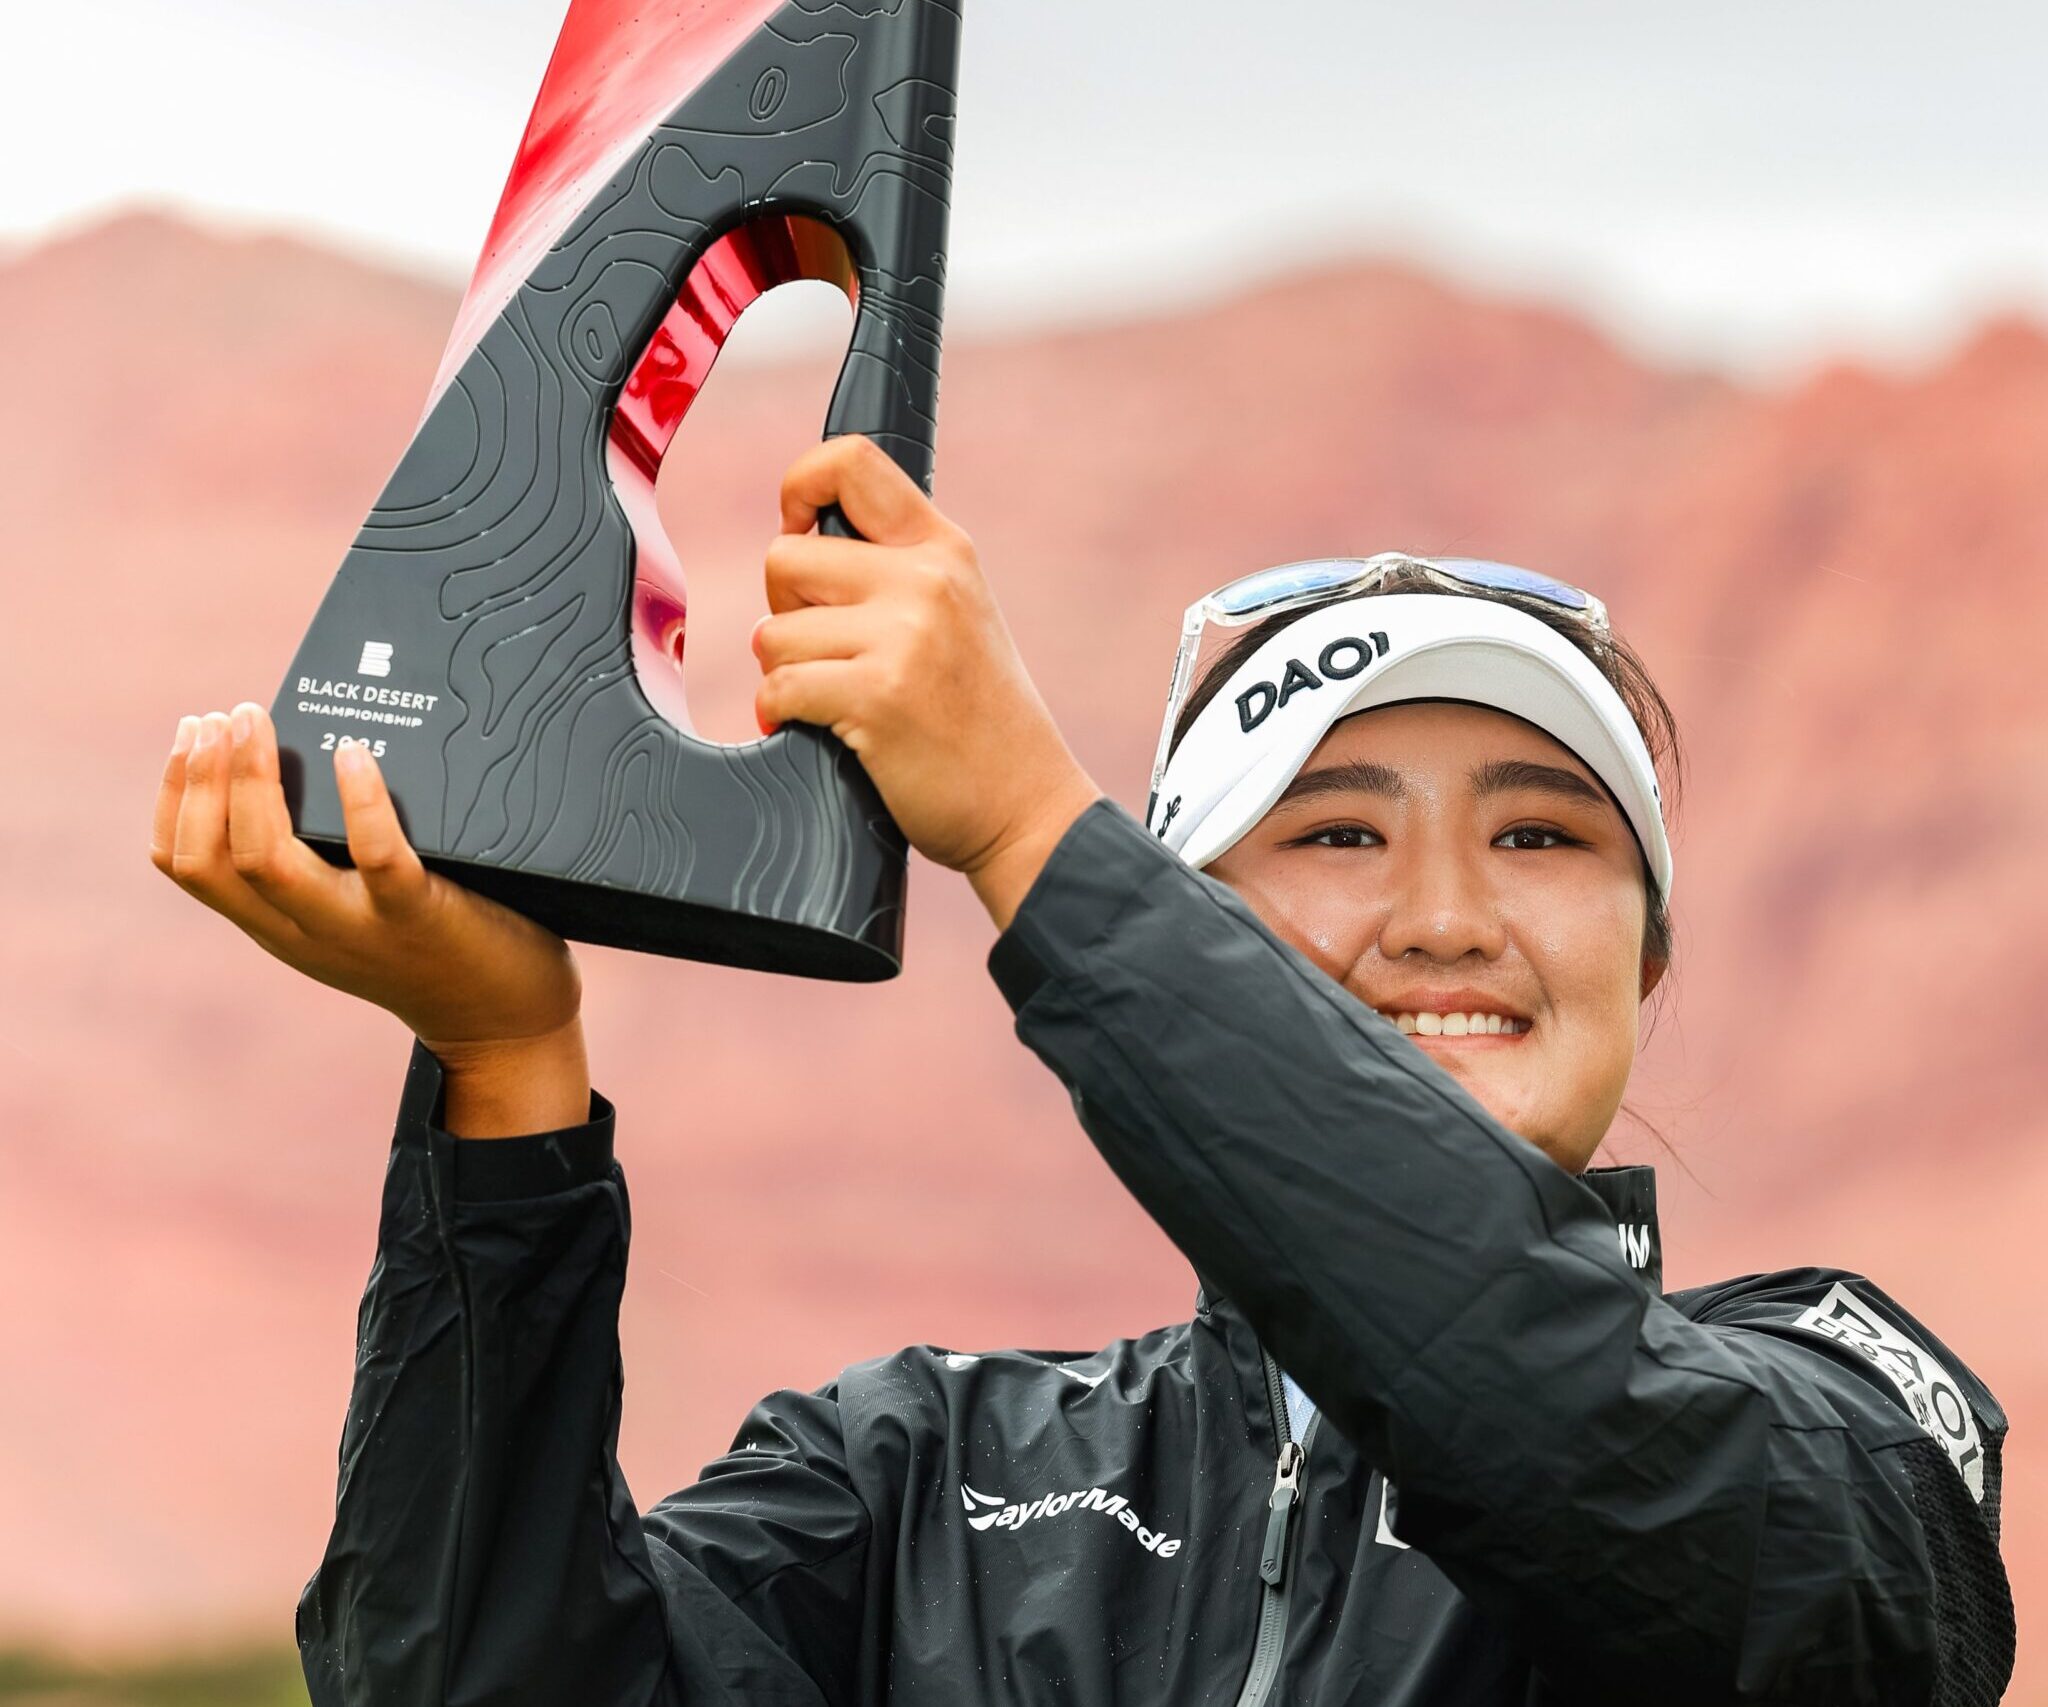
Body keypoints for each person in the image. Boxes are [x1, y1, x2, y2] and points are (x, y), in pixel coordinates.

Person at [152, 434, 2014, 1705]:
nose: (1448, 918)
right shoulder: (912, 1475)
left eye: (1541, 838)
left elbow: (1568, 1430)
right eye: (1340, 835)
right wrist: (505, 1074)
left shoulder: (1851, 1400)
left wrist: (1033, 825)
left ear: (1651, 948)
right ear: (1195, 927)